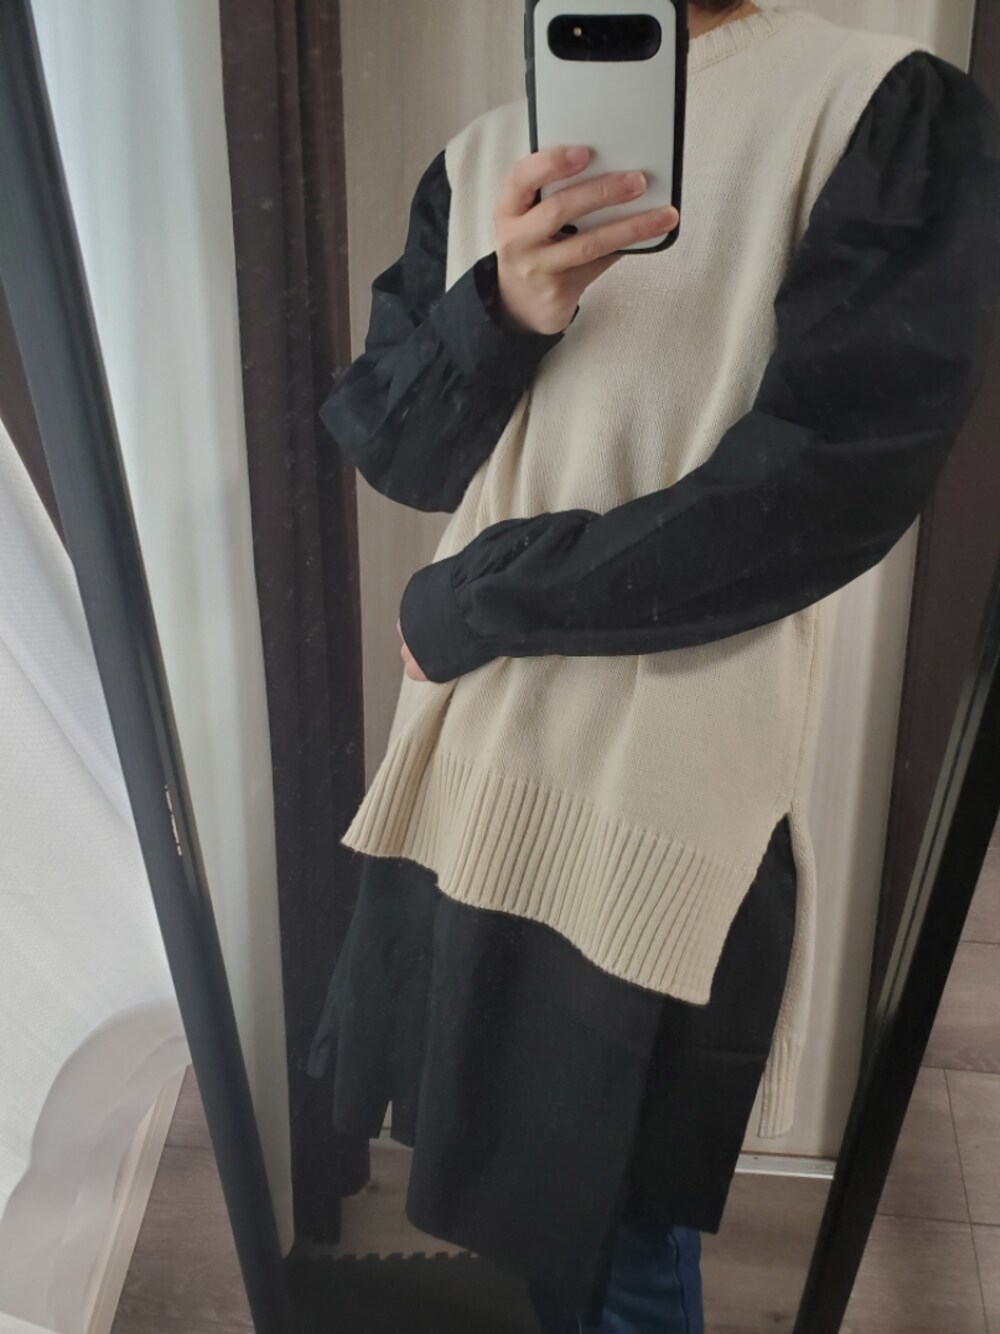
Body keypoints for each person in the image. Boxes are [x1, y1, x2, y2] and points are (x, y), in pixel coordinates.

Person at [307, 2, 1000, 1330]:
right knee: (509, 1205)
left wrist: (479, 598)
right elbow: (401, 450)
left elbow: (816, 496)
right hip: (466, 773)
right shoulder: (483, 156)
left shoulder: (878, 113)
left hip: (657, 797)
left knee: (622, 1237)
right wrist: (507, 307)